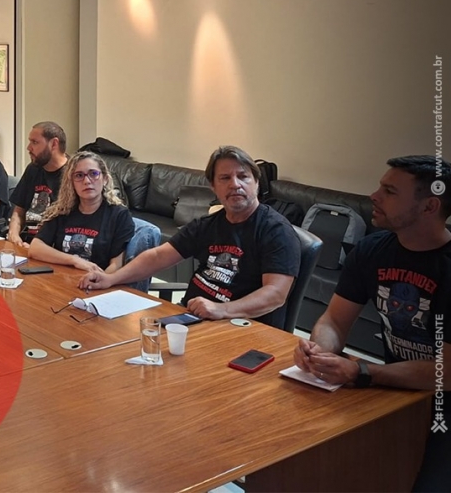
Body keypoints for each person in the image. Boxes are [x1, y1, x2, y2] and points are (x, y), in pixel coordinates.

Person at [294, 156, 450, 491]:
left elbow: (446, 371)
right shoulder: (371, 250)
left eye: (389, 191)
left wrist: (363, 372)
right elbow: (335, 320)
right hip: (400, 392)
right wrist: (319, 351)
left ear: (429, 206)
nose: (374, 196)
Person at [79, 145, 301, 330]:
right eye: (225, 178)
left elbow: (275, 294)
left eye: (243, 177)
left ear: (257, 183)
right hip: (190, 318)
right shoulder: (208, 225)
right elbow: (158, 257)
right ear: (214, 187)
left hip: (238, 327)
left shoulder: (276, 230)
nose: (235, 184)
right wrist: (111, 279)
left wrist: (222, 309)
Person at [28, 152, 134, 272]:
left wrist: (99, 279)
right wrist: (74, 260)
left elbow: (116, 266)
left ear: (105, 179)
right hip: (60, 279)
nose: (87, 181)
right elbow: (35, 248)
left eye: (93, 174)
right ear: (71, 183)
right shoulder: (62, 211)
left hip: (98, 280)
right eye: (79, 175)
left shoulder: (119, 215)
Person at [9, 121, 69, 247]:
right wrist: (13, 234)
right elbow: (18, 211)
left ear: (54, 144)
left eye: (35, 142)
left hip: (50, 248)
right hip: (25, 243)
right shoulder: (33, 169)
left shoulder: (74, 174)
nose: (28, 148)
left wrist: (38, 249)